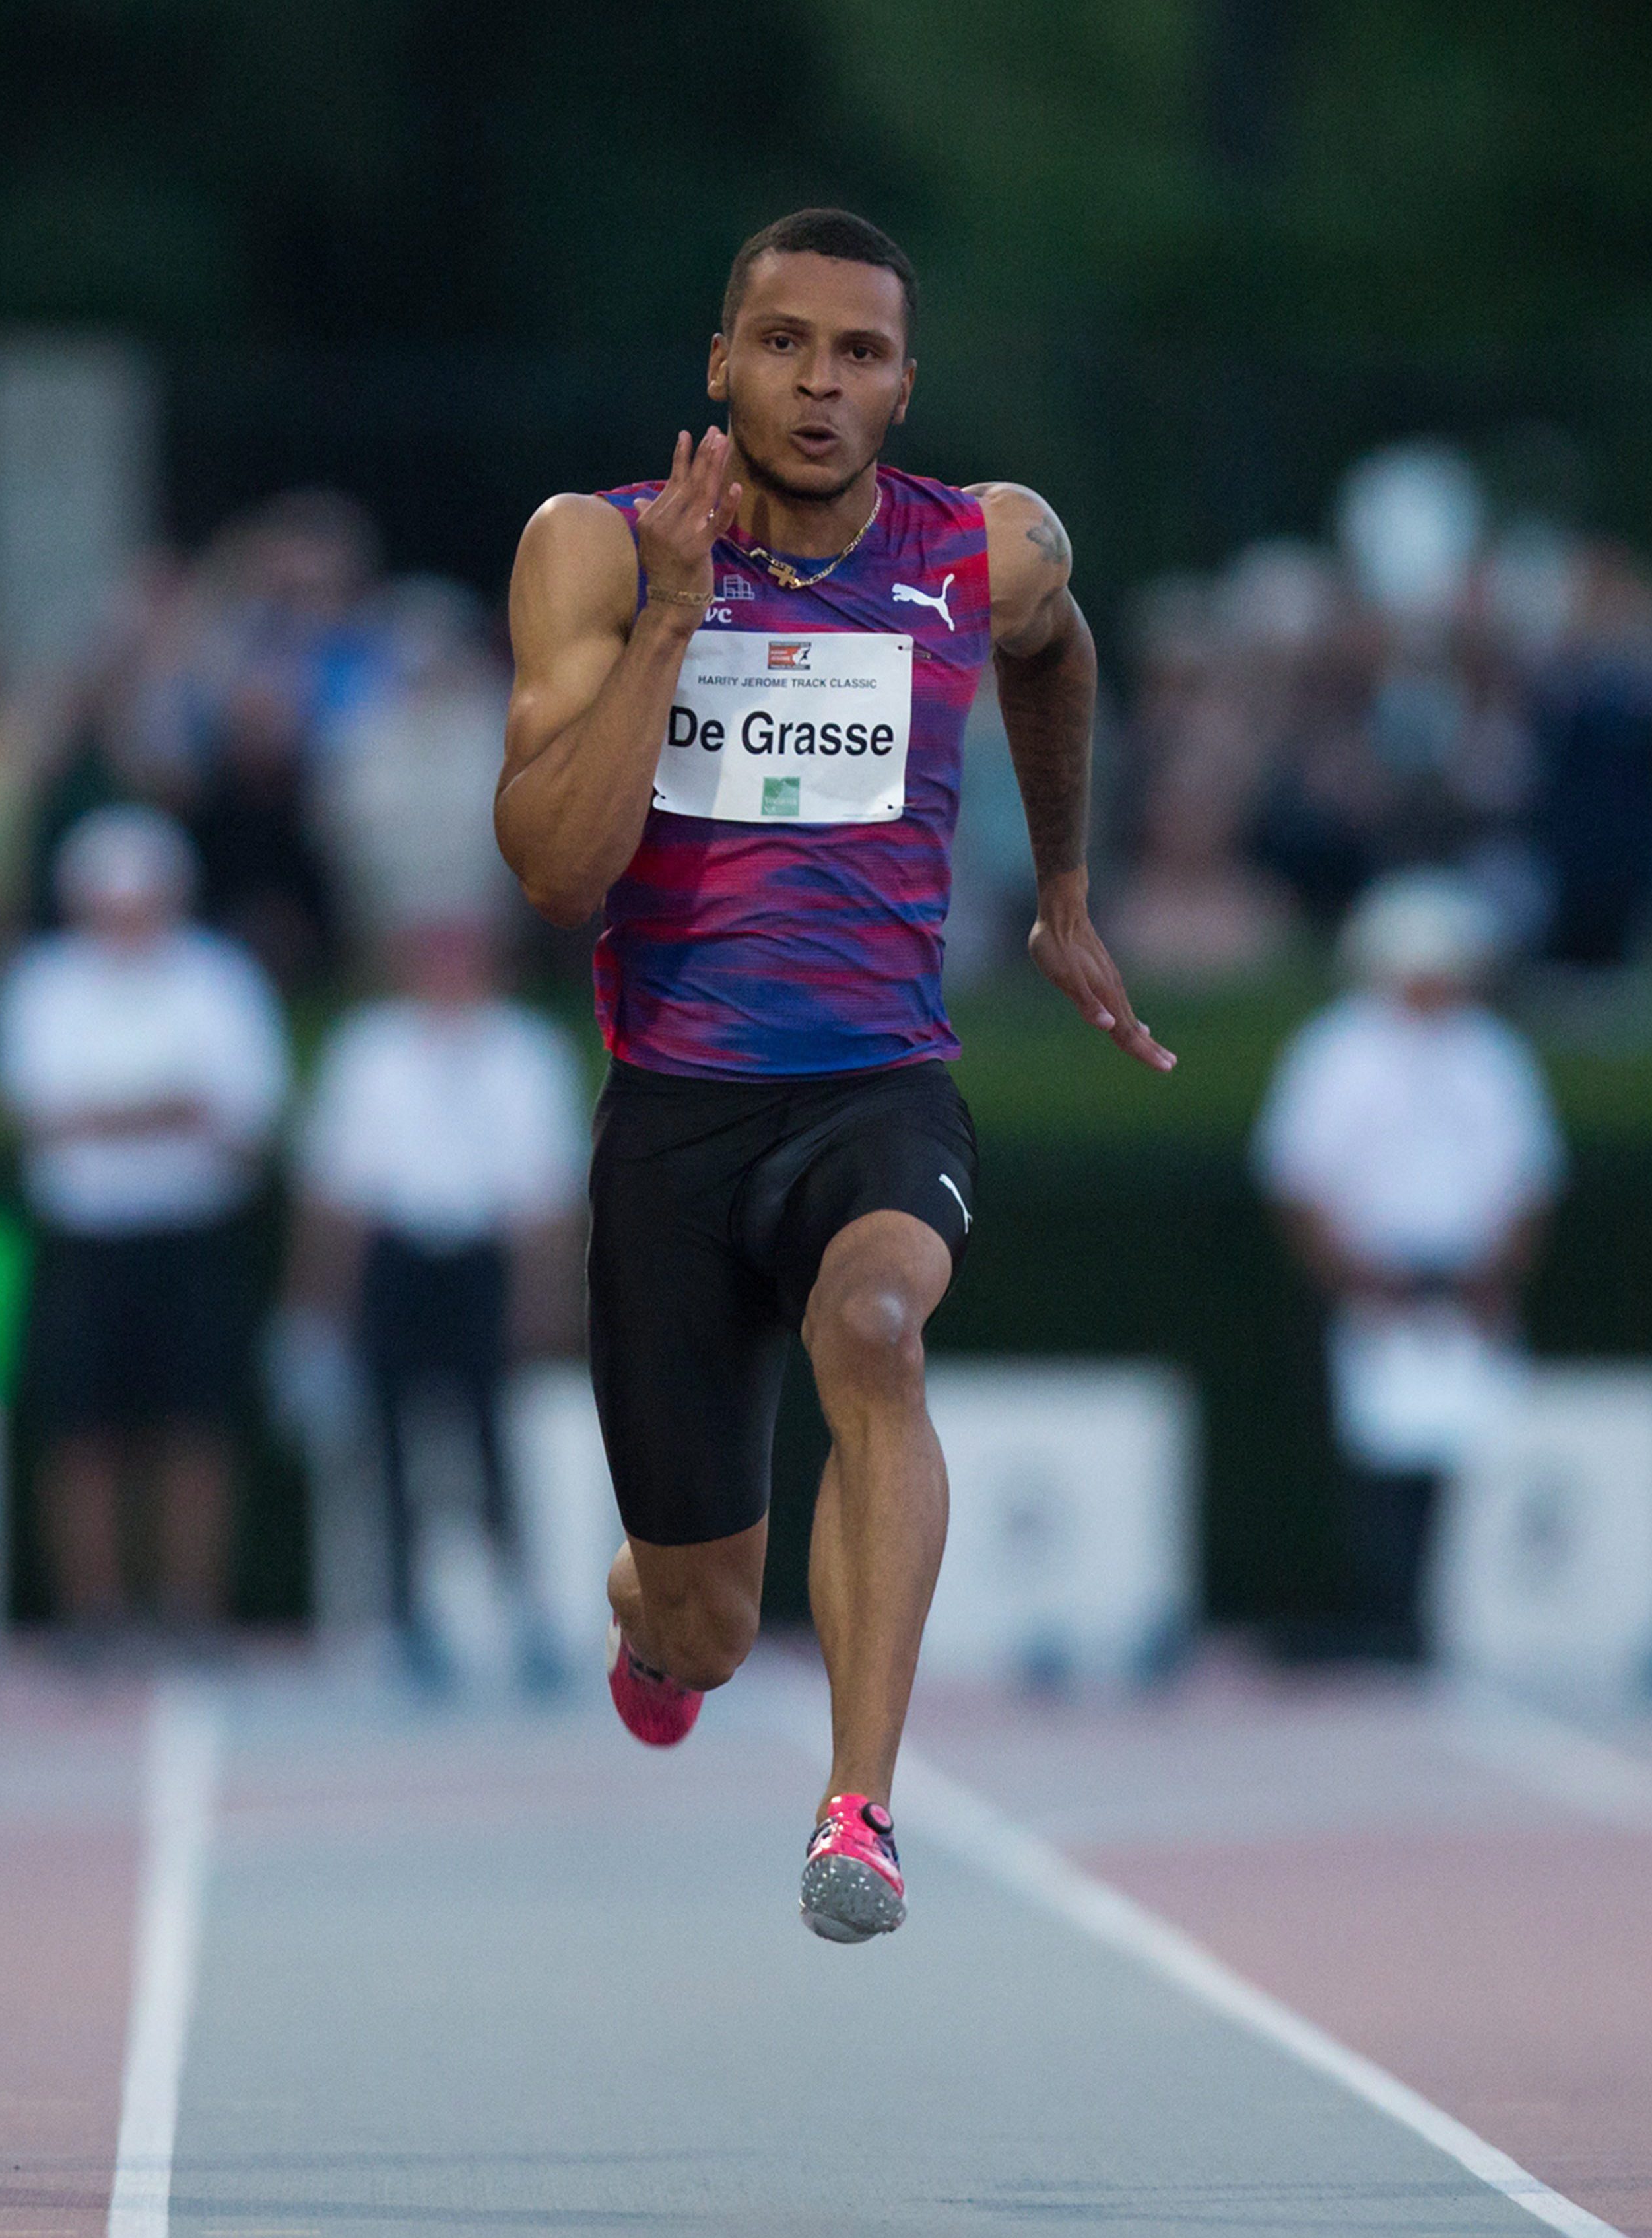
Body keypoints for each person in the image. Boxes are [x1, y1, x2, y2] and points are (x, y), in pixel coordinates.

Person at [495, 207, 1168, 1943]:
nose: (819, 382)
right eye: (784, 344)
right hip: (676, 1114)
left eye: (858, 353)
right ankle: (657, 1617)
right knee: (704, 1618)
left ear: (902, 384)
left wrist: (1071, 888)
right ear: (721, 362)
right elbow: (557, 870)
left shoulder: (984, 547)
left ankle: (859, 1806)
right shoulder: (596, 550)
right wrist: (674, 624)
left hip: (879, 1087)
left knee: (878, 1330)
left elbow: (1060, 646)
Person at [0, 805, 285, 1655]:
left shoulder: (219, 979)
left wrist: (112, 1115)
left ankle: (192, 1611)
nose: (127, 921)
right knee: (82, 1435)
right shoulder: (44, 983)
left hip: (192, 1235)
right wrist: (169, 1108)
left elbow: (245, 1121)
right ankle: (95, 1614)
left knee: (197, 1430)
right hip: (85, 1240)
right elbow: (41, 1116)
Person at [1252, 871, 1562, 1663]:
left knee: (1471, 1458)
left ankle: (1454, 1618)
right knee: (1372, 1461)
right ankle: (1378, 1618)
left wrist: (1494, 1278)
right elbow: (1299, 1180)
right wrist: (1351, 1280)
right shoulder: (1337, 1052)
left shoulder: (1491, 1054)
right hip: (1372, 1289)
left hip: (1466, 1289)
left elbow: (1528, 1180)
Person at [281, 908, 585, 1690]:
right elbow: (336, 1194)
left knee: (494, 1452)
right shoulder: (370, 1050)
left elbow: (549, 1199)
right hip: (397, 1260)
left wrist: (543, 1301)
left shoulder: (527, 1051)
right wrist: (315, 1310)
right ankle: (409, 1620)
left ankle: (524, 1614)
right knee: (389, 1445)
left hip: (486, 1262)